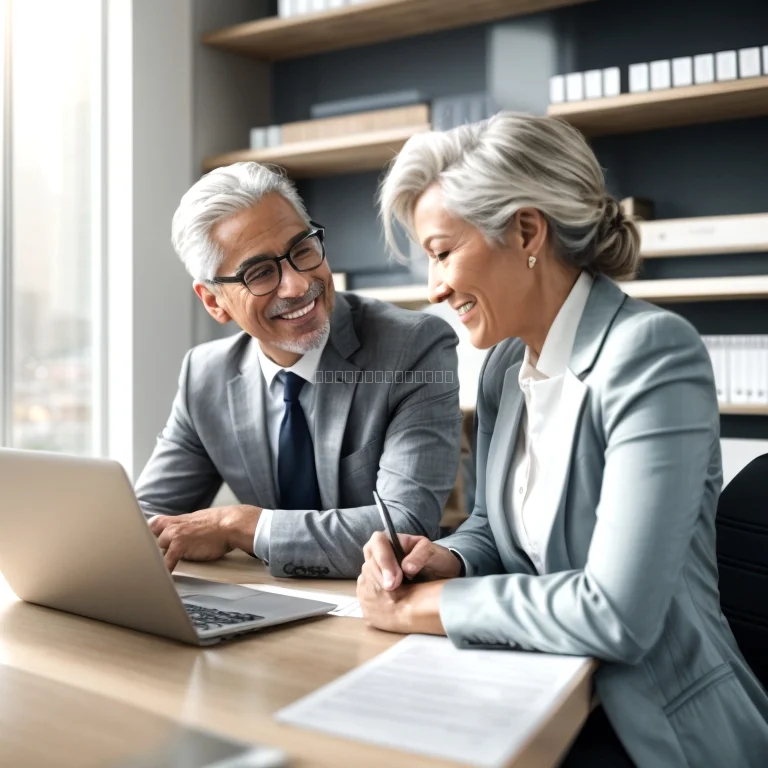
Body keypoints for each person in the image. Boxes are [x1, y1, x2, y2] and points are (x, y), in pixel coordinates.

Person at [357, 113, 768, 766]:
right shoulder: (502, 367)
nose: (433, 288)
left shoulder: (653, 354)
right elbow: (494, 526)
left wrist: (425, 607)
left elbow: (617, 614)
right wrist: (447, 560)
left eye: (441, 252)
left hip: (651, 727)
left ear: (525, 230)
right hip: (534, 690)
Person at [135, 162, 462, 579]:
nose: (296, 284)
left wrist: (239, 526)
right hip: (270, 605)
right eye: (260, 273)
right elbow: (145, 522)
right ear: (214, 302)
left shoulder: (413, 347)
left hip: (377, 608)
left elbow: (405, 528)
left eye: (302, 249)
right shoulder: (205, 376)